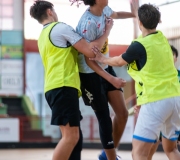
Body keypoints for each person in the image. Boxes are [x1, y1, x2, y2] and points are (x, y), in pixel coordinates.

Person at [90, 4, 180, 160]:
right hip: (175, 98)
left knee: (139, 153)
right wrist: (139, 12)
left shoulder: (139, 46)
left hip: (156, 100)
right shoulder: (162, 38)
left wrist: (102, 58)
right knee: (172, 150)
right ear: (158, 21)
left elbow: (120, 61)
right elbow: (146, 30)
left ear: (140, 22)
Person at [29, 1, 121, 160]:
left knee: (75, 139)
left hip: (55, 88)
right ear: (50, 12)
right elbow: (90, 50)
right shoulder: (60, 28)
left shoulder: (42, 36)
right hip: (63, 86)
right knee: (71, 138)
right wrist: (107, 31)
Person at [72, 0, 138, 159]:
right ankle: (111, 157)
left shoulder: (104, 9)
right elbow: (89, 59)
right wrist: (111, 79)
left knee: (122, 114)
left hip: (105, 66)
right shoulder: (88, 24)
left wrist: (134, 14)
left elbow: (116, 14)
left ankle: (108, 154)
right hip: (89, 74)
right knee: (105, 118)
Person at [145, 45, 180, 160]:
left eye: (171, 55)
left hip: (177, 118)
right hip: (158, 117)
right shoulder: (155, 74)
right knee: (149, 151)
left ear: (176, 58)